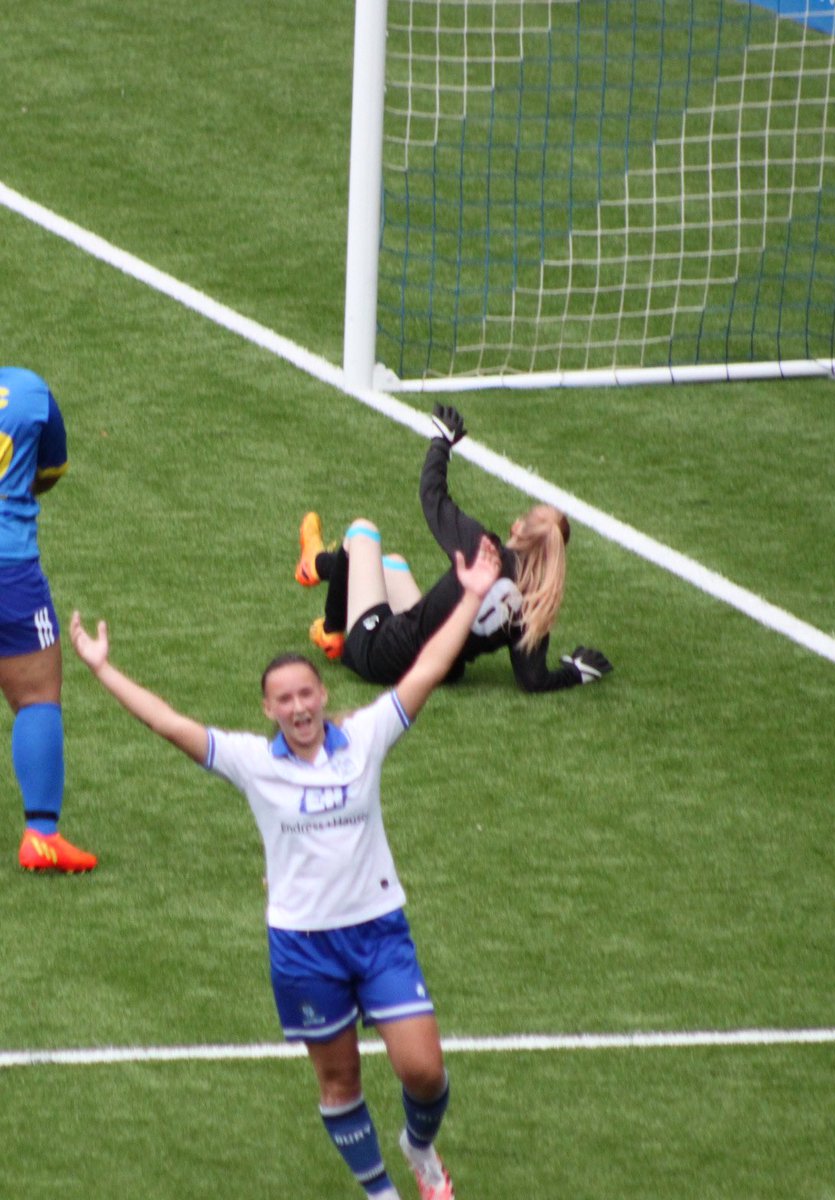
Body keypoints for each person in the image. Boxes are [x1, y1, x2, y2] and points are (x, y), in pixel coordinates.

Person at [70, 535, 503, 1200]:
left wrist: (472, 594)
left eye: (307, 693)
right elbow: (168, 723)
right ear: (268, 710)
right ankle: (383, 1195)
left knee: (423, 1072)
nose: (298, 707)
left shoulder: (364, 739)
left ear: (322, 695)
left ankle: (418, 1148)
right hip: (302, 947)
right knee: (340, 1084)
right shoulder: (251, 761)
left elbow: (424, 672)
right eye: (284, 699)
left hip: (380, 931)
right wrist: (103, 669)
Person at [296, 403, 612, 693]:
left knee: (363, 532)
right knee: (392, 565)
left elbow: (433, 496)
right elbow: (533, 678)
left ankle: (332, 629)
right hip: (439, 667)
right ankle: (318, 566)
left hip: (380, 656)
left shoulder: (484, 551)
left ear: (517, 526)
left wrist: (441, 443)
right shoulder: (535, 598)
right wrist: (577, 672)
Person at [0, 366, 97, 873]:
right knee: (36, 696)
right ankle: (41, 835)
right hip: (8, 566)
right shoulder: (28, 390)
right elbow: (51, 472)